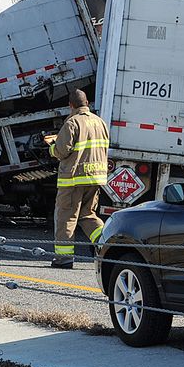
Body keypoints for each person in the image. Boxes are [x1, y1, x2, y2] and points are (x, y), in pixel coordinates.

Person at [48, 89, 110, 268]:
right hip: (95, 178)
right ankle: (105, 244)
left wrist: (51, 147)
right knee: (87, 214)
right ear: (87, 103)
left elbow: (61, 151)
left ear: (71, 105)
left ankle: (64, 259)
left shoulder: (72, 123)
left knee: (66, 217)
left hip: (74, 180)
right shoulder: (100, 122)